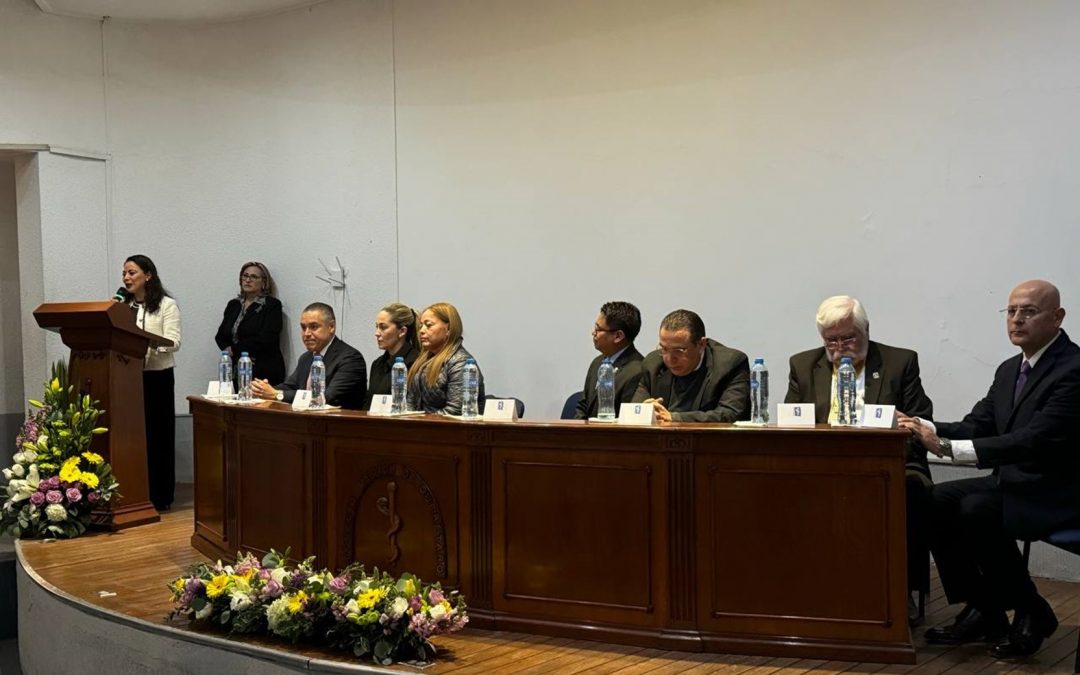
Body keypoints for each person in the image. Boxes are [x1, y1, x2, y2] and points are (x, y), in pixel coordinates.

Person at [900, 280, 1080, 659]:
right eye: (1011, 311)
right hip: (1016, 484)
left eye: (1028, 311)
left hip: (1057, 492)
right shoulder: (1009, 369)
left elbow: (1032, 440)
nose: (1016, 320)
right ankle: (986, 607)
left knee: (976, 508)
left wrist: (947, 448)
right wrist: (919, 424)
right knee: (932, 499)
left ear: (1057, 316)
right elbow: (977, 424)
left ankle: (1031, 609)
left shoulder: (1073, 370)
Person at [785, 295, 934, 623]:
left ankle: (901, 591)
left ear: (866, 330)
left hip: (892, 465)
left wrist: (900, 435)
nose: (840, 347)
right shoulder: (803, 365)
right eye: (831, 340)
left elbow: (920, 420)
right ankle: (802, 586)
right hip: (823, 466)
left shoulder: (899, 362)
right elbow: (792, 424)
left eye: (848, 337)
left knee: (911, 490)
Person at [120, 254, 181, 512]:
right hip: (129, 377)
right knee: (134, 437)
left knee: (158, 436)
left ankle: (160, 495)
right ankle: (134, 492)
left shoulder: (167, 305)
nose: (126, 278)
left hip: (158, 378)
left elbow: (174, 342)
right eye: (124, 273)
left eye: (132, 272)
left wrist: (146, 340)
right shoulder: (123, 306)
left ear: (148, 275)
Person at [631, 309, 749, 422]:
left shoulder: (730, 364)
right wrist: (643, 412)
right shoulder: (653, 364)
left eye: (679, 350)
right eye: (664, 348)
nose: (669, 359)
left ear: (701, 344)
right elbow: (634, 410)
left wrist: (673, 417)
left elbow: (730, 414)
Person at [250, 302, 367, 409]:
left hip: (340, 426)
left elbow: (328, 397)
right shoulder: (306, 358)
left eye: (314, 327)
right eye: (303, 327)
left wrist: (277, 395)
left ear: (331, 327)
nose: (306, 333)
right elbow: (290, 386)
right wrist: (263, 389)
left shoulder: (350, 359)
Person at [213, 261, 286, 384]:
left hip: (262, 368)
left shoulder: (271, 305)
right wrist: (235, 355)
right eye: (245, 276)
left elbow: (266, 338)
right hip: (235, 368)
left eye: (253, 277)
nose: (247, 280)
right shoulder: (234, 305)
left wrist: (236, 351)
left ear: (264, 282)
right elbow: (221, 336)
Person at [407, 302, 485, 414]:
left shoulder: (461, 362)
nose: (422, 331)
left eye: (428, 325)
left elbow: (455, 411)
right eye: (421, 326)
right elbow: (411, 402)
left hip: (450, 430)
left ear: (448, 329)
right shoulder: (423, 359)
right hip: (422, 427)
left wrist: (420, 423)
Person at [573, 301, 645, 419]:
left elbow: (626, 418)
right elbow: (583, 406)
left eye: (598, 329)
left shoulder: (638, 371)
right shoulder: (597, 362)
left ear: (618, 336)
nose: (593, 333)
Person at [365, 303, 421, 409]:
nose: (377, 333)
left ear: (402, 331)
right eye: (376, 327)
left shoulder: (417, 362)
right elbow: (369, 404)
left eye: (383, 327)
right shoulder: (377, 364)